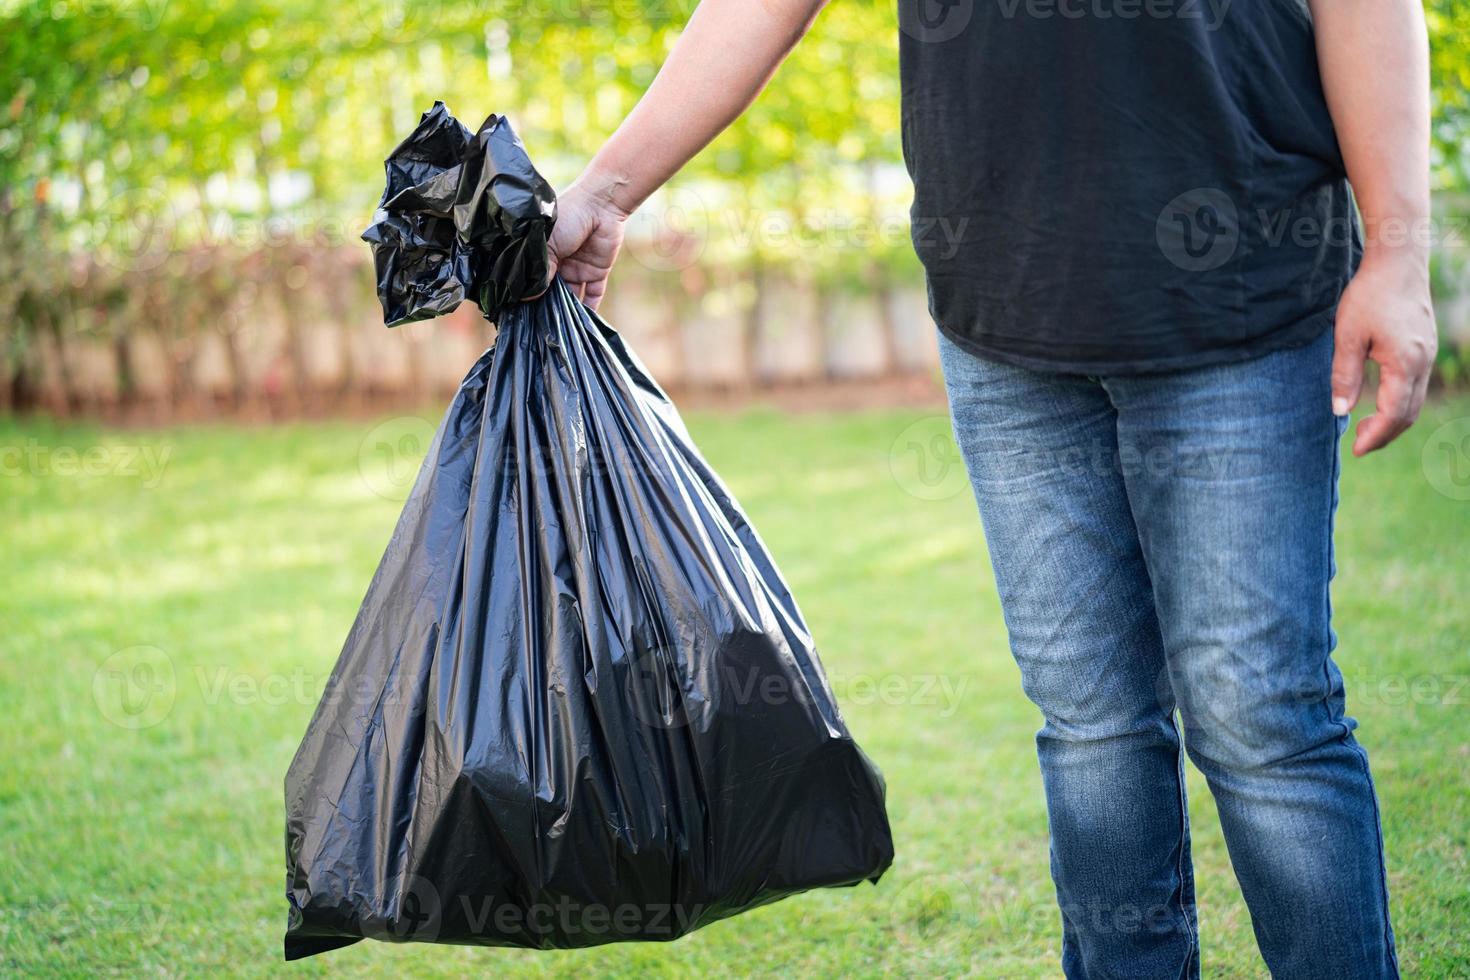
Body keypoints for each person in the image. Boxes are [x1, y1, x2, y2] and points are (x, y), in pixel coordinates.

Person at [543, 1, 1436, 976]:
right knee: (1087, 718)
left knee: (1260, 714)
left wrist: (1396, 252)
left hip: (1243, 295)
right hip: (1006, 316)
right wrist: (608, 189)